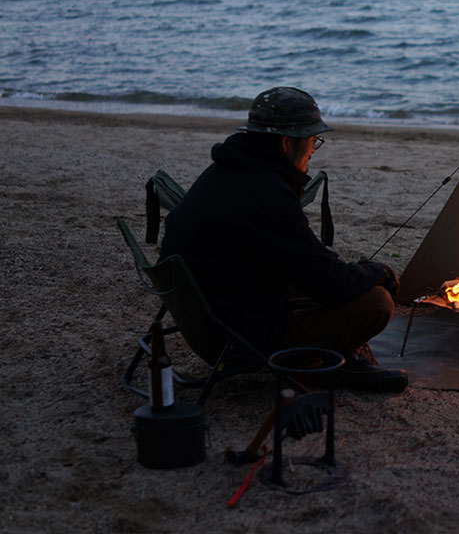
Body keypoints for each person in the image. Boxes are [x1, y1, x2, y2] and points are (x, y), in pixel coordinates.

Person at [159, 87, 407, 392]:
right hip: (241, 336)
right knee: (377, 301)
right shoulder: (266, 193)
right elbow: (329, 284)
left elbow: (302, 261)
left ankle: (331, 356)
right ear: (287, 143)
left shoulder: (227, 172)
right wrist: (376, 273)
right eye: (313, 141)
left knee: (327, 277)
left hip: (217, 315)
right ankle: (321, 365)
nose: (314, 150)